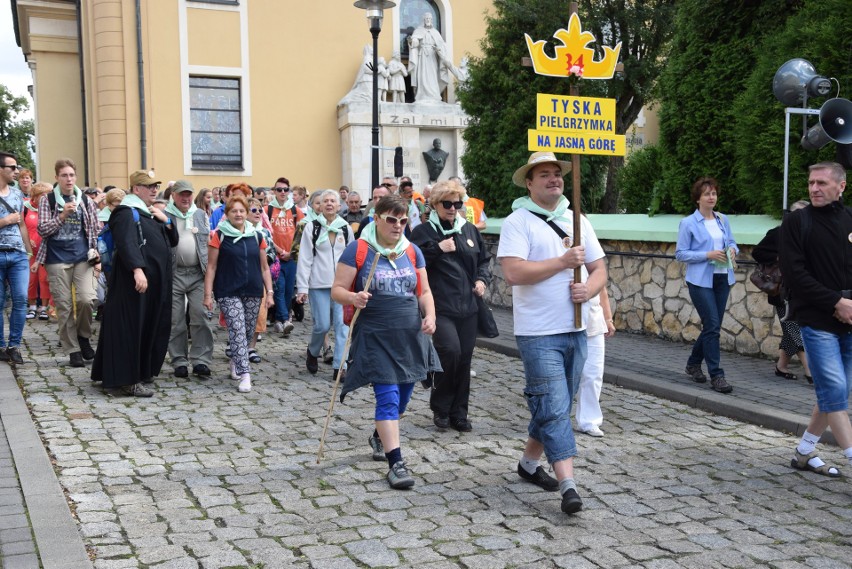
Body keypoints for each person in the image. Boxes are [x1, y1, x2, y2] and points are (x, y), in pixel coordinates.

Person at [497, 151, 607, 515]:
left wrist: (588, 289)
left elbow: (599, 269)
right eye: (544, 174)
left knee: (553, 405)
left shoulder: (577, 221)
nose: (553, 179)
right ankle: (568, 485)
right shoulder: (517, 222)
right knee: (556, 409)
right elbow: (513, 273)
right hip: (538, 333)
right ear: (529, 183)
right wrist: (562, 263)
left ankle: (528, 465)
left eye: (557, 173)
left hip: (576, 330)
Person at [332, 195, 438, 490]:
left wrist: (430, 316)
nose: (397, 225)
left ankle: (380, 436)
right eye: (391, 219)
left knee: (403, 398)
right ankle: (397, 463)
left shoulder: (412, 251)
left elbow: (424, 291)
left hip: (410, 336)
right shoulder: (359, 250)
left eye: (403, 220)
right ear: (376, 218)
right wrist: (353, 297)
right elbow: (337, 290)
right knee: (388, 398)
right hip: (376, 335)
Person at [780, 162, 852, 478]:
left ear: (841, 186)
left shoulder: (849, 219)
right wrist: (836, 301)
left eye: (822, 183)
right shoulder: (797, 222)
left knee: (833, 392)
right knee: (835, 390)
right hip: (815, 320)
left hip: (849, 319)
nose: (814, 189)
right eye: (811, 183)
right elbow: (795, 275)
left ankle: (804, 452)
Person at [411, 180, 490, 432]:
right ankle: (441, 407)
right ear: (435, 204)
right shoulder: (423, 232)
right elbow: (414, 264)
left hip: (468, 306)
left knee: (464, 359)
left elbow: (483, 261)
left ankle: (459, 413)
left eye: (457, 203)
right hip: (440, 306)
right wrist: (437, 248)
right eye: (448, 203)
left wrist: (481, 279)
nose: (453, 208)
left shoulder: (469, 229)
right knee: (451, 353)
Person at [91, 170, 178, 396]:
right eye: (149, 186)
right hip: (132, 282)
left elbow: (173, 240)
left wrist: (167, 221)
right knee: (128, 328)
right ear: (136, 189)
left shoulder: (149, 213)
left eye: (155, 186)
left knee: (146, 326)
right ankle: (126, 380)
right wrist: (138, 270)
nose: (154, 190)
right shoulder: (125, 212)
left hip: (152, 285)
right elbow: (127, 243)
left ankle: (138, 371)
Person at [203, 191, 274, 394]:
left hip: (253, 289)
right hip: (228, 290)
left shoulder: (257, 235)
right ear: (227, 213)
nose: (239, 214)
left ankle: (236, 358)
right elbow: (211, 267)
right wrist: (208, 295)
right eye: (234, 211)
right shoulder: (220, 235)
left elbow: (264, 268)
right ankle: (245, 374)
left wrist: (269, 292)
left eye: (242, 210)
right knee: (236, 327)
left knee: (248, 331)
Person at [675, 177, 738, 394]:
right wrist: (707, 254)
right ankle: (717, 376)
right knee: (712, 325)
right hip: (701, 280)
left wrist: (732, 250)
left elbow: (731, 241)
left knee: (712, 327)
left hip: (723, 278)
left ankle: (693, 364)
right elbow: (680, 254)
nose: (712, 197)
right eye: (707, 194)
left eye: (714, 193)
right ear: (698, 198)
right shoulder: (688, 223)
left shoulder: (722, 219)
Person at [37, 158, 101, 368]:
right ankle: (72, 349)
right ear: (57, 178)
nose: (68, 179)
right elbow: (43, 230)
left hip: (83, 258)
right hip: (56, 260)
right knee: (64, 306)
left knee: (87, 299)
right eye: (64, 175)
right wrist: (63, 215)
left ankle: (83, 336)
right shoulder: (48, 200)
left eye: (71, 175)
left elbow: (94, 231)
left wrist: (97, 257)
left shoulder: (86, 201)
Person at [752, 200, 812, 382]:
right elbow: (758, 252)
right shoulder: (778, 233)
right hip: (782, 292)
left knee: (790, 330)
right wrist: (779, 257)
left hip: (803, 291)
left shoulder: (809, 235)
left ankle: (781, 366)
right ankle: (811, 372)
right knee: (795, 328)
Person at [295, 190, 352, 380]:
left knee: (343, 325)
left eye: (332, 201)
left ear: (338, 205)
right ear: (319, 206)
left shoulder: (345, 228)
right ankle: (313, 351)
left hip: (342, 285)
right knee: (322, 325)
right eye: (324, 201)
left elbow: (352, 258)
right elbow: (305, 258)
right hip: (318, 284)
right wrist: (302, 287)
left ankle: (340, 366)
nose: (328, 204)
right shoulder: (312, 227)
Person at [165, 180, 213, 380]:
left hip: (197, 273)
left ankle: (201, 360)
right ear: (173, 196)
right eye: (181, 195)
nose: (185, 198)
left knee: (200, 315)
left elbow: (208, 243)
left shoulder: (201, 215)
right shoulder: (166, 215)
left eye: (188, 194)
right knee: (176, 320)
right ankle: (179, 361)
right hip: (174, 273)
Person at [0, 152, 34, 365]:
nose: (16, 171)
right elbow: (12, 220)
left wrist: (29, 251)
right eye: (12, 167)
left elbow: (21, 224)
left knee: (21, 299)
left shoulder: (16, 195)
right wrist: (4, 221)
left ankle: (14, 346)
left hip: (18, 255)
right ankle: (1, 346)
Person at [575, 289, 616, 437]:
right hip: (564, 323)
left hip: (594, 321)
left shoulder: (592, 265)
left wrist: (608, 318)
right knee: (564, 375)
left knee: (593, 374)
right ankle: (555, 419)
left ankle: (589, 421)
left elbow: (601, 289)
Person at [267, 177, 304, 336]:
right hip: (275, 257)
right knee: (279, 289)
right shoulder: (267, 210)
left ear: (289, 192)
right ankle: (284, 320)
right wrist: (280, 251)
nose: (282, 192)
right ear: (274, 191)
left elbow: (301, 234)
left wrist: (291, 252)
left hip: (292, 258)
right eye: (279, 189)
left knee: (289, 290)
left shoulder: (296, 211)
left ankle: (281, 319)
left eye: (285, 189)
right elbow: (266, 234)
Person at [408, 12, 457, 103]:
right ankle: (422, 95)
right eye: (427, 19)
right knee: (422, 74)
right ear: (424, 20)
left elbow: (442, 45)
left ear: (432, 20)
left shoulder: (436, 32)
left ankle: (434, 95)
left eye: (430, 19)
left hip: (433, 56)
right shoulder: (419, 30)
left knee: (433, 75)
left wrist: (438, 49)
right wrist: (414, 40)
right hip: (422, 55)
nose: (428, 20)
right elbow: (415, 42)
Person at [25, 182, 52, 321]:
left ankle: (44, 308)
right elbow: (21, 227)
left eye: (47, 195)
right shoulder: (26, 209)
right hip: (30, 251)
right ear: (34, 196)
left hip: (46, 251)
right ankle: (32, 306)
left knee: (44, 279)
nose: (45, 198)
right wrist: (27, 241)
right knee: (31, 280)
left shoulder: (50, 210)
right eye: (42, 195)